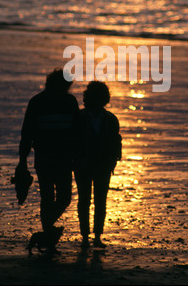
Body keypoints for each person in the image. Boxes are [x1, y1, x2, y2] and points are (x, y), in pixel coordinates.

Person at [16, 67, 79, 246]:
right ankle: (48, 232)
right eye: (64, 86)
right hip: (44, 158)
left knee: (65, 197)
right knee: (47, 197)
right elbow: (27, 133)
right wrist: (22, 160)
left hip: (65, 159)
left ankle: (47, 228)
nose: (65, 90)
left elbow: (77, 132)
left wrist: (78, 155)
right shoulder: (37, 102)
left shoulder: (70, 102)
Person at [74, 81, 122, 248]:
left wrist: (113, 162)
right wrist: (78, 160)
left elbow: (116, 143)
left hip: (102, 166)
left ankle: (96, 237)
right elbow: (74, 143)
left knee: (99, 201)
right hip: (83, 165)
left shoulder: (110, 119)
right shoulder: (80, 118)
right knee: (85, 201)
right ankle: (87, 237)